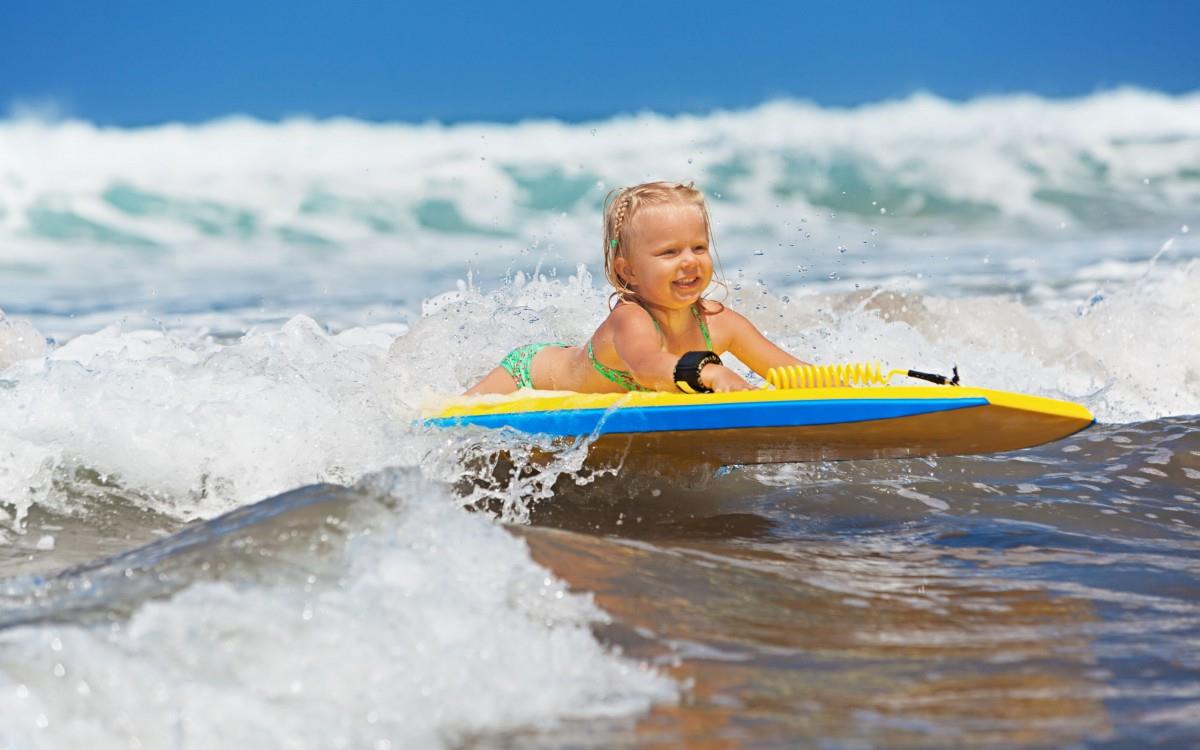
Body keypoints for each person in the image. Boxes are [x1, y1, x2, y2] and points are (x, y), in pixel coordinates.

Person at [466, 181, 809, 395]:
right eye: (669, 252)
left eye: (699, 248)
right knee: (452, 429)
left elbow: (789, 373)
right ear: (628, 271)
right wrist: (708, 371)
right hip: (527, 377)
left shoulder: (722, 323)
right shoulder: (630, 320)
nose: (689, 261)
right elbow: (646, 366)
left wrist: (845, 390)